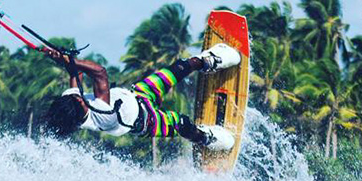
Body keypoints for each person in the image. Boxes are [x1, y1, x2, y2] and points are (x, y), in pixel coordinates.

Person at [43, 44, 241, 151]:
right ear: (81, 109)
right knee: (183, 124)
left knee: (180, 67)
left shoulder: (71, 106)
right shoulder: (100, 111)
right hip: (147, 120)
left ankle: (209, 61)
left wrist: (60, 56)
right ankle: (206, 138)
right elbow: (100, 73)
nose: (78, 97)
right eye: (79, 100)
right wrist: (70, 60)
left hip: (140, 94)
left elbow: (74, 76)